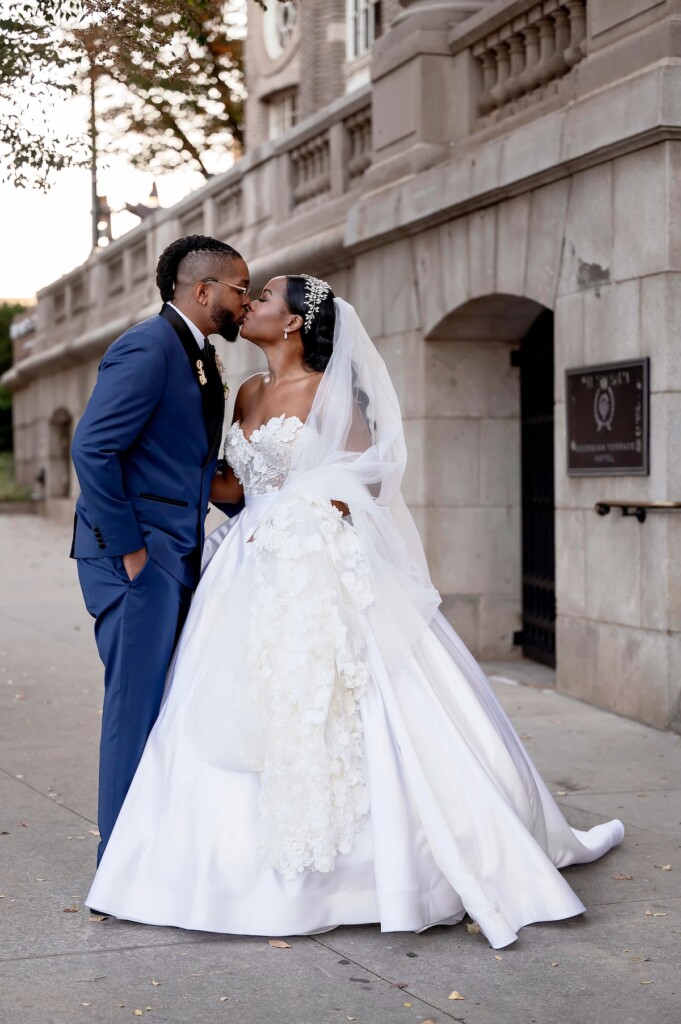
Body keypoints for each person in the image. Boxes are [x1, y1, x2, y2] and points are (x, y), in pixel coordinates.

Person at [85, 275, 624, 949]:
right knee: (233, 705)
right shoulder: (246, 392)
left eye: (263, 297)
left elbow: (367, 480)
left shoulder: (331, 395)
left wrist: (312, 512)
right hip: (247, 567)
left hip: (314, 566)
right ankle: (206, 869)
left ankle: (378, 870)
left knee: (341, 703)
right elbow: (234, 481)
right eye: (247, 293)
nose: (248, 302)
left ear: (291, 324)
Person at [71, 235, 250, 867]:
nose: (245, 301)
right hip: (137, 559)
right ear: (203, 291)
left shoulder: (195, 352)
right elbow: (93, 449)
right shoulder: (148, 346)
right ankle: (119, 863)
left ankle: (152, 847)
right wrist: (129, 553)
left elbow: (186, 461)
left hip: (177, 553)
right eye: (239, 289)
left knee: (164, 701)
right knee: (134, 703)